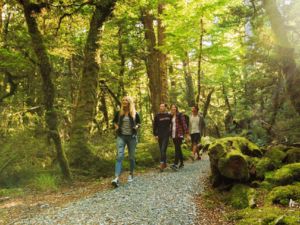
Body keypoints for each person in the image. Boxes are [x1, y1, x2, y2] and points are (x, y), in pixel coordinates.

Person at [111, 96, 141, 187]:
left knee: (131, 157)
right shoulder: (119, 113)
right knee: (119, 156)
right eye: (123, 100)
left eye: (126, 100)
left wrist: (136, 127)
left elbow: (139, 123)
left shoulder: (135, 113)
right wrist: (117, 128)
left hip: (132, 137)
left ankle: (131, 174)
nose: (124, 101)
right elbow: (114, 122)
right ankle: (116, 178)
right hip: (121, 136)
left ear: (129, 102)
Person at [170, 104, 189, 170]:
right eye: (172, 107)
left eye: (174, 107)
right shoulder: (172, 116)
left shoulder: (180, 115)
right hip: (173, 134)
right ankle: (181, 163)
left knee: (177, 148)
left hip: (179, 134)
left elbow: (184, 124)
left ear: (176, 108)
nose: (173, 108)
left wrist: (187, 133)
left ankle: (175, 164)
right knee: (178, 148)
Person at [153, 103, 172, 171]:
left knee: (163, 149)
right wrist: (155, 135)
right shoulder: (157, 116)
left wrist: (171, 133)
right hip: (159, 135)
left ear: (165, 107)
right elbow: (155, 126)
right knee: (162, 150)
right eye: (160, 106)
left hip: (166, 135)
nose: (161, 107)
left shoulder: (169, 115)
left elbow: (173, 123)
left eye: (163, 106)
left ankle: (161, 165)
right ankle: (165, 163)